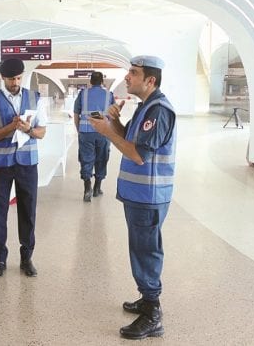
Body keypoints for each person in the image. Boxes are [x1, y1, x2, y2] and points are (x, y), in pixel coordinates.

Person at [89, 55, 175, 340]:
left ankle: (153, 313)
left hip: (149, 194)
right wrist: (115, 123)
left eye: (134, 73)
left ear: (150, 80)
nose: (127, 77)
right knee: (140, 248)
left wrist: (105, 132)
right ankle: (146, 297)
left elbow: (138, 155)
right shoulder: (145, 108)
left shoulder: (159, 110)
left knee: (146, 250)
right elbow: (133, 140)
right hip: (138, 194)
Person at [0, 58, 47, 278]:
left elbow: (42, 132)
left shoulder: (34, 98)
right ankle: (0, 258)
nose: (15, 82)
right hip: (0, 165)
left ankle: (26, 258)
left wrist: (28, 129)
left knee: (28, 211)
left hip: (27, 164)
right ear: (3, 78)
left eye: (19, 78)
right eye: (11, 79)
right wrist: (10, 127)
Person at [73, 71, 115, 202]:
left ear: (90, 81)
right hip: (104, 132)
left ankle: (87, 187)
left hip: (86, 131)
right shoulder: (109, 95)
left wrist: (79, 129)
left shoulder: (83, 94)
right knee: (102, 158)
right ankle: (97, 188)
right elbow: (113, 116)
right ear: (102, 81)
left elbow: (76, 113)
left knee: (86, 158)